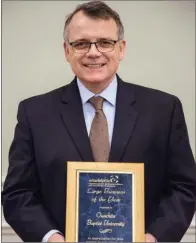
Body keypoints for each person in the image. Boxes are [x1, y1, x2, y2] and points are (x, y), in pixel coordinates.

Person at [2, 1, 196, 242]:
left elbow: (183, 188)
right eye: (81, 43)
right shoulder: (34, 113)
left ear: (121, 49)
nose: (93, 52)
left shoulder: (164, 109)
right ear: (67, 51)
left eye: (105, 42)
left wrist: (154, 237)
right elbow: (17, 194)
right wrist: (51, 238)